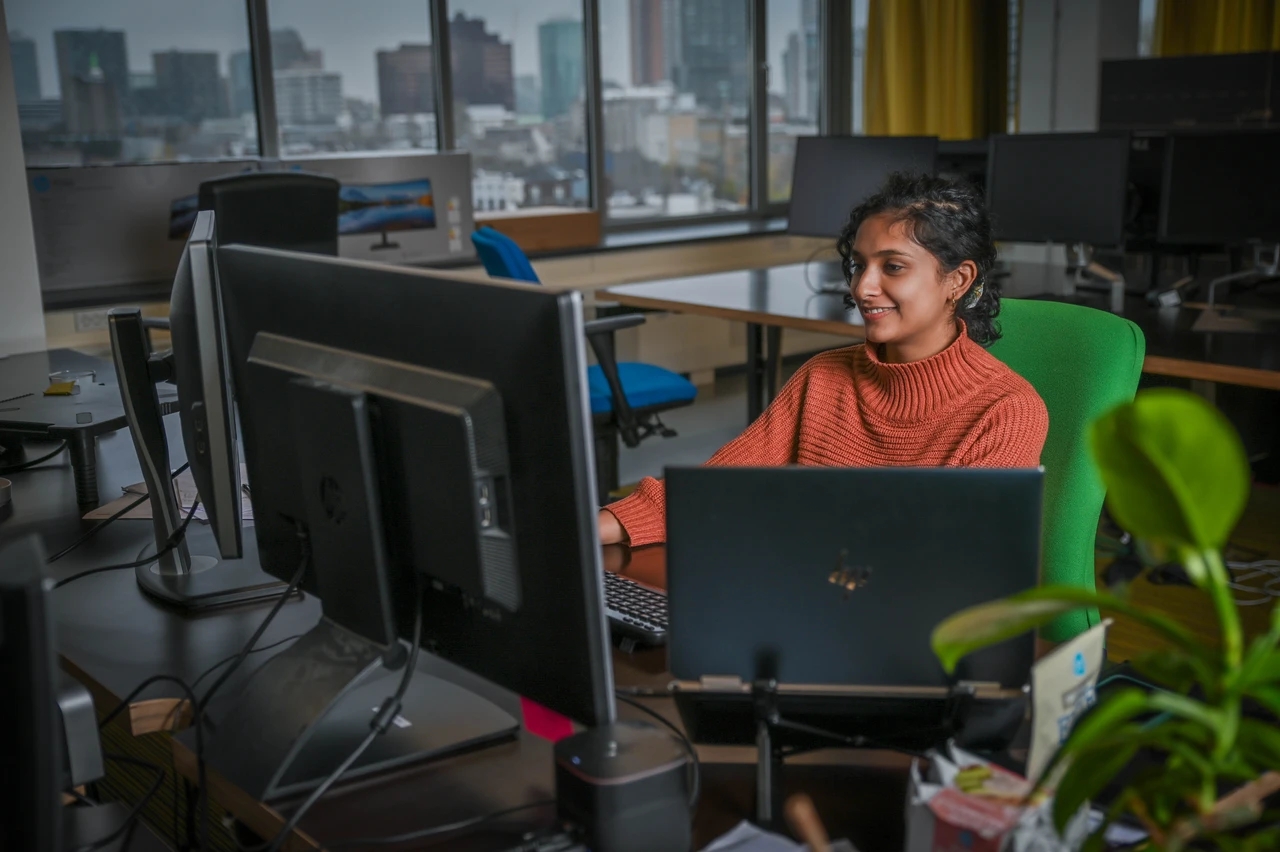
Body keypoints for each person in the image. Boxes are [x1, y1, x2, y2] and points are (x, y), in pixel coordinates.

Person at [599, 171, 1049, 547]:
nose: (862, 287)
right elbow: (718, 487)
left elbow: (957, 559)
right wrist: (599, 526)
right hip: (803, 598)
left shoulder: (1006, 411)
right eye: (859, 265)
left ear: (959, 279)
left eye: (892, 267)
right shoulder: (822, 378)